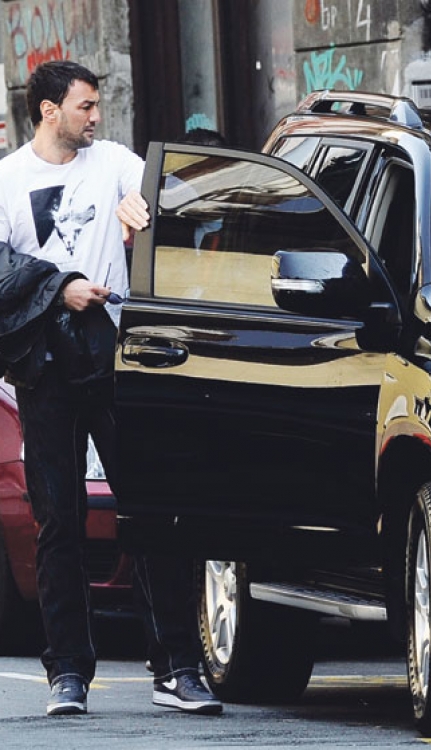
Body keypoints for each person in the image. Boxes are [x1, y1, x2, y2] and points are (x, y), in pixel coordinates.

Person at [0, 60, 222, 717]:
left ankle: (177, 667)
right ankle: (68, 672)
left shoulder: (113, 161)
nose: (97, 117)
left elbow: (166, 192)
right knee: (58, 523)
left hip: (119, 358)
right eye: (86, 106)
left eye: (98, 106)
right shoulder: (8, 180)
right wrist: (59, 286)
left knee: (151, 511)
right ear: (49, 111)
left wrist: (145, 203)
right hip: (44, 367)